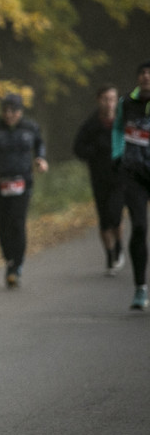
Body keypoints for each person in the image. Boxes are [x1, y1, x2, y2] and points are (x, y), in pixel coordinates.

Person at [0, 93, 49, 288]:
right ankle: (9, 259)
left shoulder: (30, 127)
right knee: (3, 223)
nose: (9, 115)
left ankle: (17, 264)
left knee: (18, 221)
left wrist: (40, 158)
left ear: (21, 111)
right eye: (5, 111)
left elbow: (40, 143)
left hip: (22, 182)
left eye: (13, 111)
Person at [73, 84, 125, 275]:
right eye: (105, 99)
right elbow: (78, 149)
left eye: (112, 99)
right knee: (104, 219)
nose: (109, 103)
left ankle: (119, 245)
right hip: (99, 177)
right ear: (98, 100)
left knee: (115, 214)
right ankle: (110, 255)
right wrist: (94, 151)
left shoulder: (124, 121)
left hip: (120, 177)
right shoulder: (90, 125)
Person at [112, 60, 150, 309]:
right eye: (143, 73)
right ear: (138, 78)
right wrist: (118, 155)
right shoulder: (126, 103)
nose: (146, 77)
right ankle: (140, 288)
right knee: (138, 227)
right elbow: (117, 130)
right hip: (134, 173)